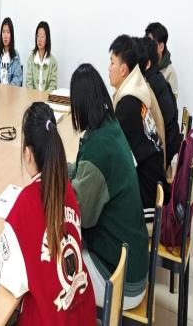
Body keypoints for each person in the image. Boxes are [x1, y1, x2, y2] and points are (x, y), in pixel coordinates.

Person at [0, 102, 95, 325]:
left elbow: (8, 277)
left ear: (27, 154)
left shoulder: (26, 204)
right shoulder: (67, 188)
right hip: (83, 315)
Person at [68, 64, 149, 310]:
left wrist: (52, 189)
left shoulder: (99, 149)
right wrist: (59, 168)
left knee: (58, 261)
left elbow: (81, 217)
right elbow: (83, 170)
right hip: (132, 260)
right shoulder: (109, 127)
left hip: (120, 280)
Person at [109, 34, 168, 220]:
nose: (108, 68)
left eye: (112, 62)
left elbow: (114, 156)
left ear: (124, 70)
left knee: (98, 206)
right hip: (154, 183)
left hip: (147, 196)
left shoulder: (128, 104)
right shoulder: (136, 91)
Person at [138, 36, 182, 167]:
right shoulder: (157, 78)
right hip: (170, 143)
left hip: (164, 153)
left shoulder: (149, 86)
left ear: (147, 64)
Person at [145, 21, 179, 97]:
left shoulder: (170, 73)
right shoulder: (143, 64)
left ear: (161, 47)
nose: (148, 47)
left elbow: (171, 103)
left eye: (151, 44)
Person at [25, 21, 58, 92]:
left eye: (42, 36)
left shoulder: (53, 61)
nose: (39, 39)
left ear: (47, 39)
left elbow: (53, 85)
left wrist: (43, 96)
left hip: (47, 98)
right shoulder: (31, 59)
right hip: (32, 97)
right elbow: (28, 83)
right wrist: (35, 96)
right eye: (38, 36)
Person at [0, 17, 23, 86]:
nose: (5, 36)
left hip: (11, 91)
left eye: (8, 32)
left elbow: (17, 79)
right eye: (3, 32)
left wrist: (8, 90)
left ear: (11, 35)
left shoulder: (16, 55)